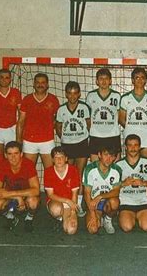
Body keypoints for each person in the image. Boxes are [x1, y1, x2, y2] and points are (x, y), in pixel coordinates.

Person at [55, 81, 90, 216]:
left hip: (81, 144)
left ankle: (78, 204)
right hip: (67, 145)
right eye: (70, 93)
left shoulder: (84, 108)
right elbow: (58, 127)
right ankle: (67, 202)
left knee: (79, 174)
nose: (72, 96)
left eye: (75, 93)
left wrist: (80, 136)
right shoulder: (61, 109)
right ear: (66, 94)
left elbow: (88, 124)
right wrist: (66, 138)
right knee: (68, 174)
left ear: (79, 94)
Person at [0, 141, 40, 232]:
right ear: (5, 155)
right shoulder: (3, 165)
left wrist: (18, 196)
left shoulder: (28, 164)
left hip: (26, 197)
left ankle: (29, 218)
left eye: (16, 153)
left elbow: (36, 190)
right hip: (10, 197)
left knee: (33, 201)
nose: (13, 157)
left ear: (21, 154)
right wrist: (16, 197)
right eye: (10, 154)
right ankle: (11, 217)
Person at [17, 73, 59, 169]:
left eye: (43, 82)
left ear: (47, 85)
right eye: (37, 82)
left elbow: (57, 120)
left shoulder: (53, 99)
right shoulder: (27, 99)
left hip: (48, 141)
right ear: (34, 84)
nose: (40, 85)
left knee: (51, 171)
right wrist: (18, 141)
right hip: (29, 141)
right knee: (28, 171)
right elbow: (20, 121)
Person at [116, 134, 147, 233]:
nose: (133, 148)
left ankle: (141, 216)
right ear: (125, 147)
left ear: (140, 146)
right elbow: (111, 187)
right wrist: (124, 183)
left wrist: (144, 183)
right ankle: (124, 216)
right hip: (126, 202)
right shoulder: (118, 165)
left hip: (144, 201)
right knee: (127, 227)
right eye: (130, 145)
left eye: (136, 145)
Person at [120, 67, 147, 159]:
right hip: (130, 139)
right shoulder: (125, 98)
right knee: (131, 166)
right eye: (137, 77)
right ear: (132, 80)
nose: (140, 80)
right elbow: (121, 119)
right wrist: (133, 127)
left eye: (142, 77)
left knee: (146, 165)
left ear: (145, 80)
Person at [83, 146, 122, 234]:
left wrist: (100, 197)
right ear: (99, 155)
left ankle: (108, 219)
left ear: (115, 157)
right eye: (106, 155)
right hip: (93, 203)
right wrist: (93, 215)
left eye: (112, 156)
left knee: (115, 202)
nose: (109, 159)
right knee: (93, 229)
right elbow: (87, 193)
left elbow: (116, 191)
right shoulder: (90, 169)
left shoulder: (117, 169)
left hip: (107, 201)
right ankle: (97, 216)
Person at [86, 68, 122, 162]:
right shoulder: (91, 96)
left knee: (115, 165)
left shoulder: (116, 96)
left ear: (110, 81)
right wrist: (94, 128)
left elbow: (119, 116)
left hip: (113, 135)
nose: (104, 81)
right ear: (97, 81)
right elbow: (87, 118)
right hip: (96, 136)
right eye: (101, 78)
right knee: (95, 166)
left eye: (106, 78)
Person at [44, 147, 80, 235]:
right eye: (56, 157)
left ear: (66, 158)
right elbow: (51, 195)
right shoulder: (48, 172)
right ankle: (59, 218)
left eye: (62, 157)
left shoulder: (73, 170)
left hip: (70, 203)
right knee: (56, 210)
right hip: (56, 201)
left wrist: (72, 212)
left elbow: (75, 193)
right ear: (52, 159)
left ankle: (64, 218)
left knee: (71, 230)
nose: (59, 160)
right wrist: (66, 200)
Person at [0, 69, 22, 153]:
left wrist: (19, 136)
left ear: (10, 79)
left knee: (12, 158)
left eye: (7, 78)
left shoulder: (16, 92)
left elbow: (21, 115)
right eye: (2, 77)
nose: (4, 80)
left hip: (12, 129)